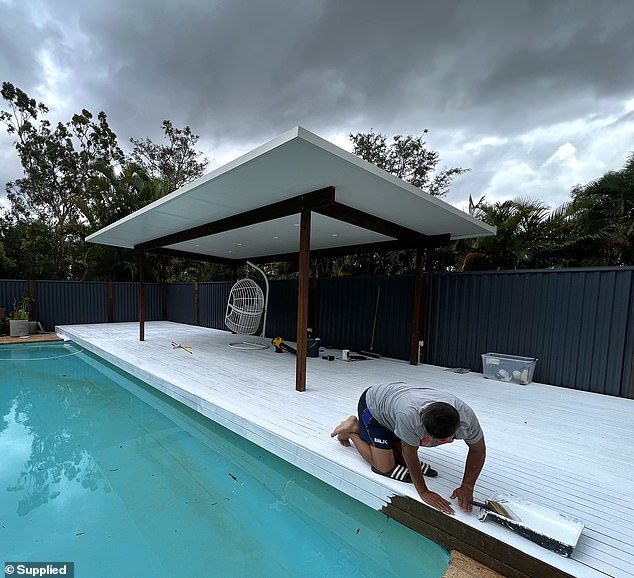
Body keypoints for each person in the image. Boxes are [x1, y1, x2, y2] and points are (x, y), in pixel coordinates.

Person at [331, 381, 486, 515]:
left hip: (395, 407)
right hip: (374, 406)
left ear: (459, 425)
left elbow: (478, 450)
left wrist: (467, 486)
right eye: (427, 435)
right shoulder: (409, 415)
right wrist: (423, 492)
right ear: (422, 413)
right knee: (385, 466)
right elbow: (410, 453)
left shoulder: (467, 419)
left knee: (400, 458)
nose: (429, 441)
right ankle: (353, 430)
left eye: (438, 440)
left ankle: (376, 436)